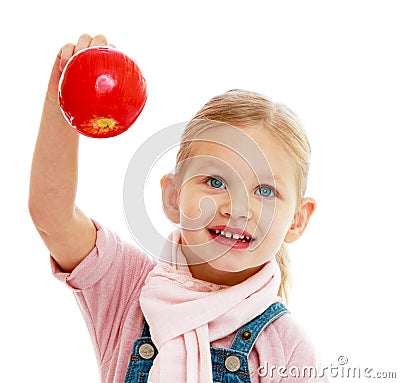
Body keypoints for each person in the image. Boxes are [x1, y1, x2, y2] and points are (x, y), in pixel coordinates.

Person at [29, 34, 328, 383]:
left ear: (297, 219)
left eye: (265, 190)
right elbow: (53, 216)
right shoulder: (125, 286)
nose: (237, 208)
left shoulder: (287, 349)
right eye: (215, 182)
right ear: (173, 197)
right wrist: (62, 103)